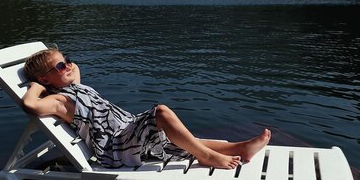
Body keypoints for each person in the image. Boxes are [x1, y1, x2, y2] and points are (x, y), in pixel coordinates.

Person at [22, 48, 271, 169]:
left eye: (66, 61)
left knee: (181, 140)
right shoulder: (59, 100)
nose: (67, 67)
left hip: (128, 130)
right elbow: (31, 105)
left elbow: (74, 71)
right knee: (161, 112)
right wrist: (35, 86)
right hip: (116, 145)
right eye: (59, 67)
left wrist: (62, 66)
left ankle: (241, 149)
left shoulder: (74, 85)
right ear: (45, 80)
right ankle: (207, 156)